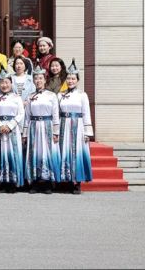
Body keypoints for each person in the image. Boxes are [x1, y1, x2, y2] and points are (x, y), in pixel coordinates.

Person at [0, 67, 25, 193]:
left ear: (11, 83)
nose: (4, 85)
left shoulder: (17, 97)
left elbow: (21, 113)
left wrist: (10, 125)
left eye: (7, 82)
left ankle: (12, 182)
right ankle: (0, 181)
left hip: (12, 129)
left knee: (12, 153)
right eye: (2, 82)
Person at [58, 59, 93, 194]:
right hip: (63, 125)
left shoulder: (82, 95)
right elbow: (57, 113)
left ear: (77, 80)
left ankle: (77, 182)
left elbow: (86, 113)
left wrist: (87, 132)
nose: (70, 81)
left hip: (78, 126)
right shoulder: (60, 95)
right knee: (65, 151)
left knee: (76, 152)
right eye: (68, 78)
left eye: (73, 78)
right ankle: (66, 181)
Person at [24, 66, 61, 194]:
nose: (38, 81)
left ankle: (47, 182)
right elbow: (27, 116)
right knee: (34, 152)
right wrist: (25, 134)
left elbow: (55, 114)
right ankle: (35, 182)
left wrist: (56, 132)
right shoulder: (30, 96)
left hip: (47, 125)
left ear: (45, 80)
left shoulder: (52, 95)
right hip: (34, 126)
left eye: (40, 78)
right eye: (36, 78)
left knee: (47, 152)